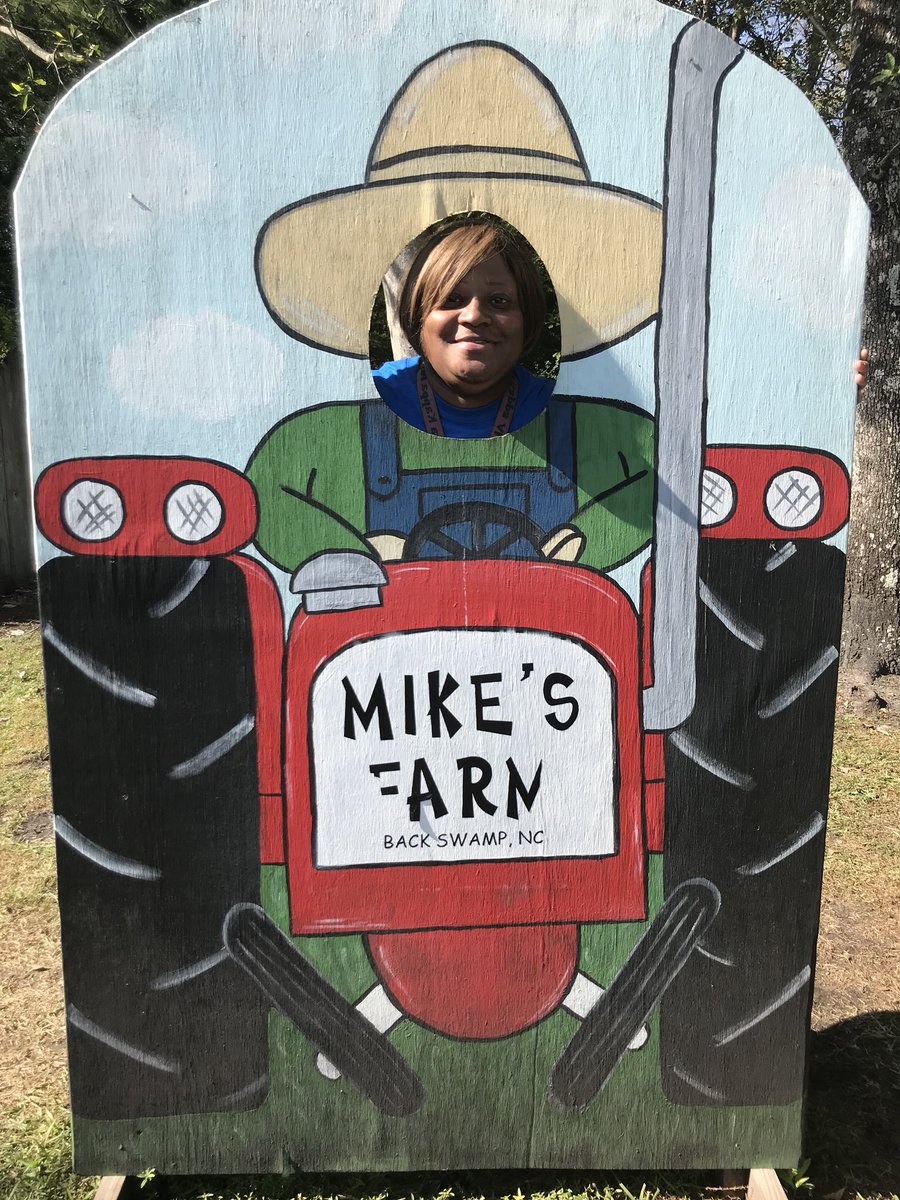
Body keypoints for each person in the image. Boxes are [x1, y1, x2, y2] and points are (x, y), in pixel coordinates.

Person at [371, 221, 556, 438]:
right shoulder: (370, 395)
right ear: (418, 316)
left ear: (527, 317)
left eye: (498, 300)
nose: (474, 316)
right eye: (452, 298)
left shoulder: (567, 407)